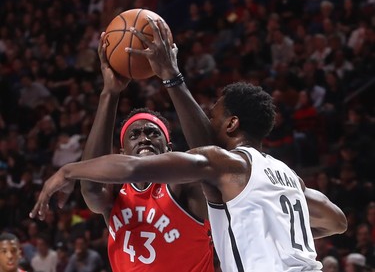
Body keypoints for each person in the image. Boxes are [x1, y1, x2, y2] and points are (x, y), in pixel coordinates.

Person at [30, 18, 347, 271]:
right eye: (135, 135)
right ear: (121, 146)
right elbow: (338, 221)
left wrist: (67, 171)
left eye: (213, 116)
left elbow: (135, 166)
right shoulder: (288, 177)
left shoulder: (215, 172)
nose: (207, 122)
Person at [48, 32, 215, 272]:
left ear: (169, 148)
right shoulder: (116, 195)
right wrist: (109, 94)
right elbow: (92, 186)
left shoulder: (183, 187)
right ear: (122, 152)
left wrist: (171, 77)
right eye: (134, 135)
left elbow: (212, 160)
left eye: (153, 132)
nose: (144, 138)